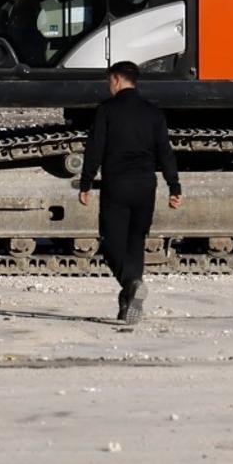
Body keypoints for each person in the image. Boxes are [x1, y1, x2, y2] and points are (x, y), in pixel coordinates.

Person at [78, 60, 181, 323]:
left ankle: (131, 284)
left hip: (117, 185)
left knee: (111, 244)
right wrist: (174, 185)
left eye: (108, 81)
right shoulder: (153, 113)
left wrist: (86, 182)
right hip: (146, 186)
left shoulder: (106, 110)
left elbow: (95, 148)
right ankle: (127, 305)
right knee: (135, 244)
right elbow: (165, 152)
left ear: (116, 79)